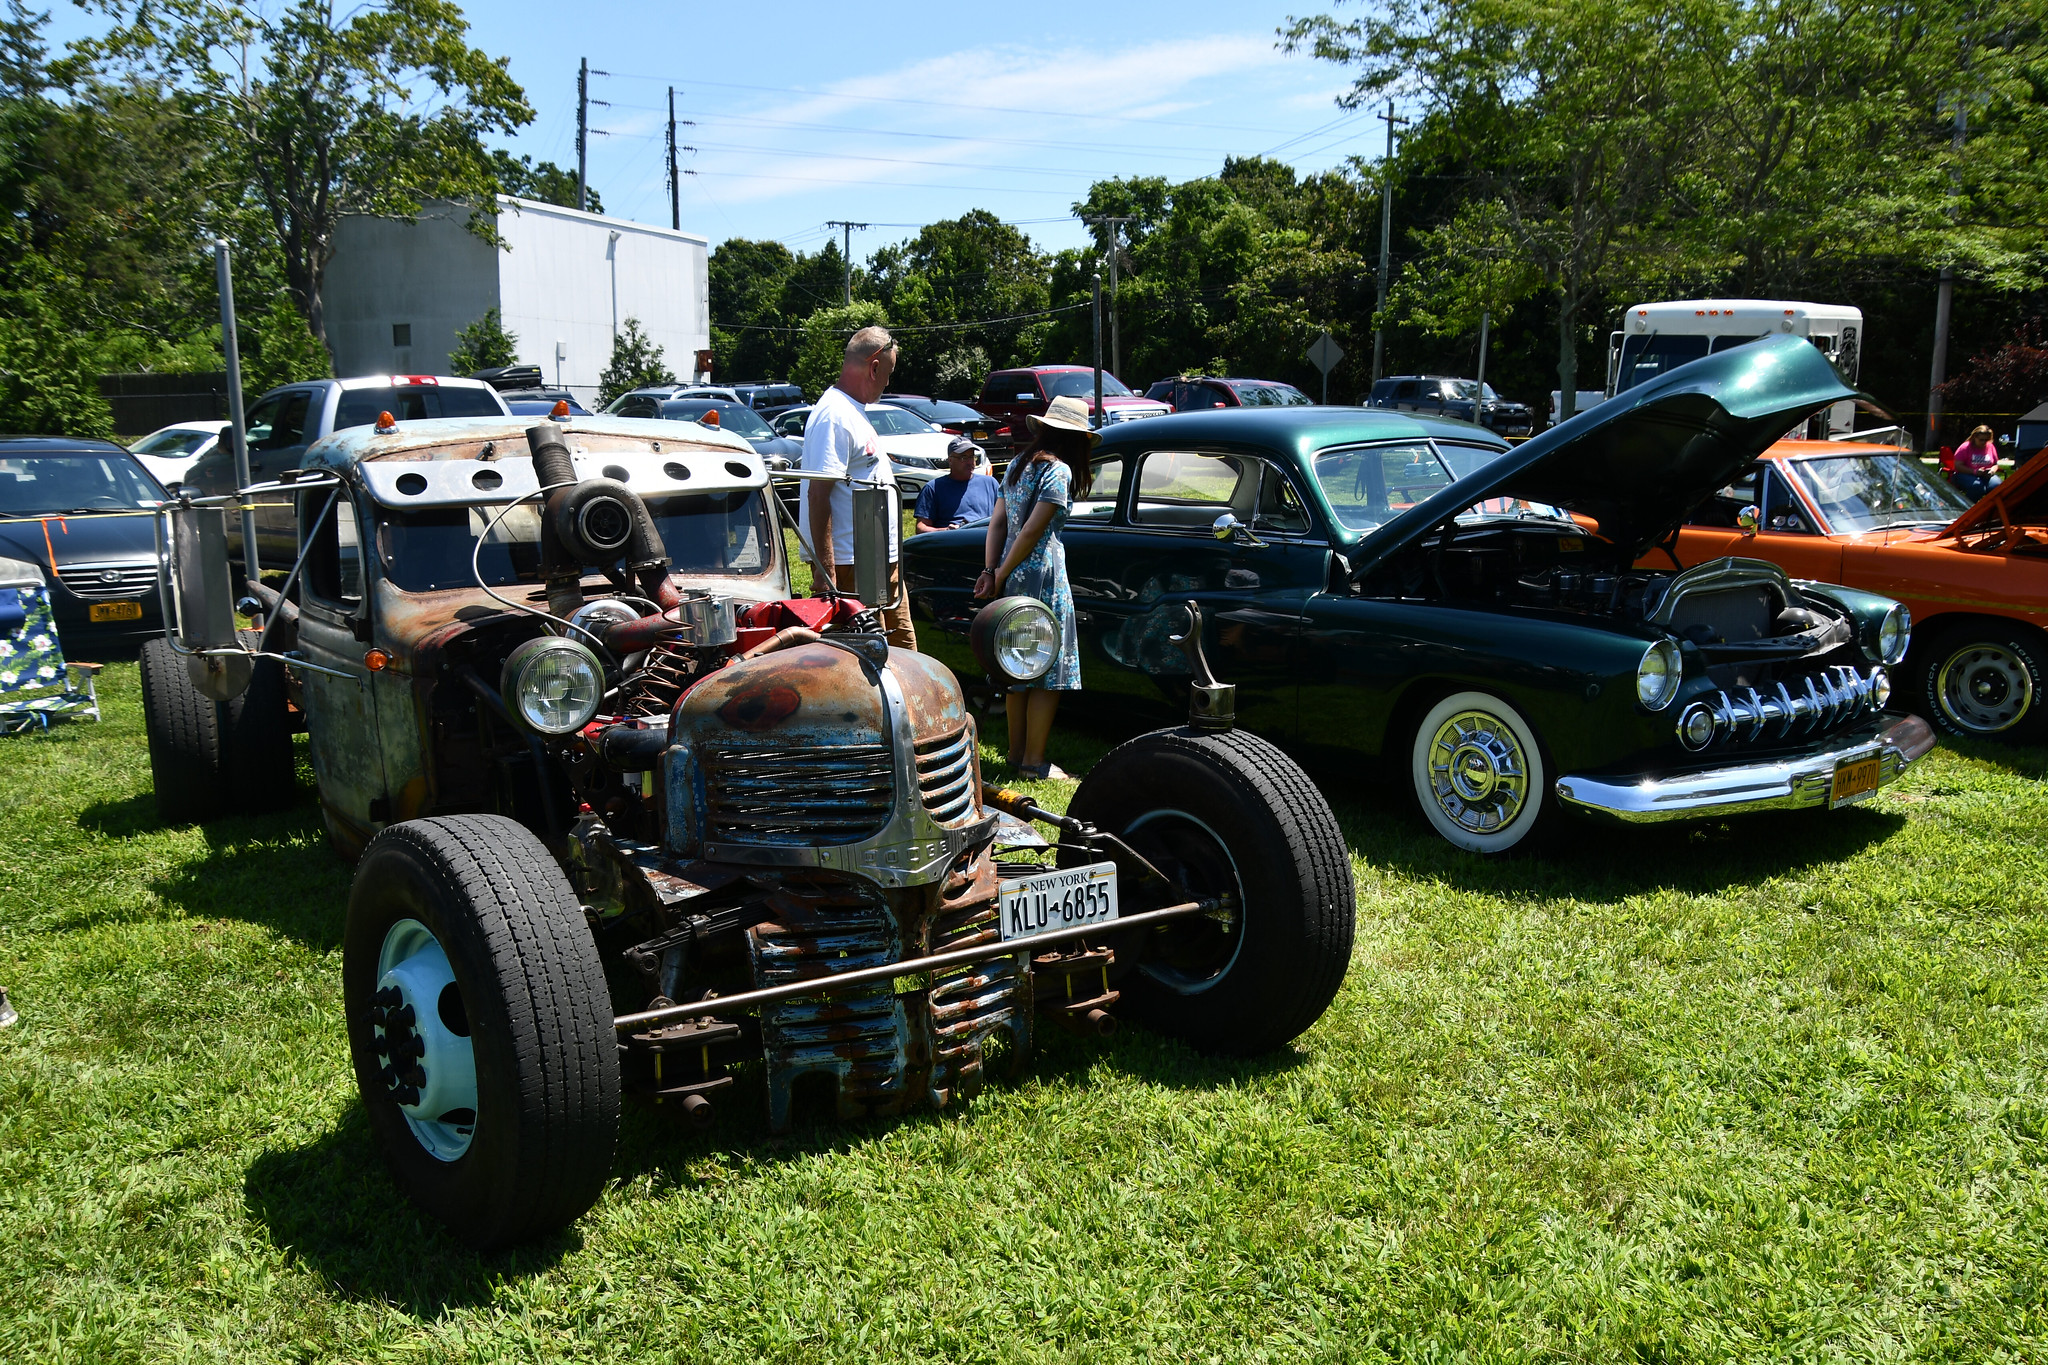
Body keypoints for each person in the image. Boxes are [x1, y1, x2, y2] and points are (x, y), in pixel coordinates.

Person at [976, 393, 1092, 780]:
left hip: (1011, 578)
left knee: (1018, 666)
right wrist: (1004, 571)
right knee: (1047, 667)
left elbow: (998, 525)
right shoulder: (1058, 471)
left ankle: (1015, 754)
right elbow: (1031, 531)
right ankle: (1033, 762)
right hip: (1042, 574)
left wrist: (993, 571)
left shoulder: (1014, 465)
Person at [801, 326, 915, 650]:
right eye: (888, 373)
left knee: (905, 654)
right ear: (875, 367)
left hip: (878, 560)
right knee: (872, 660)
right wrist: (827, 576)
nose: (888, 382)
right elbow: (818, 495)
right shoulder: (833, 415)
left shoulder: (851, 411)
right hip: (853, 566)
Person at [912, 436, 999, 534]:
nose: (970, 462)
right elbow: (921, 528)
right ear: (950, 460)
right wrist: (947, 531)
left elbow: (1004, 518)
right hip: (952, 541)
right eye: (963, 458)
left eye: (971, 457)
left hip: (984, 539)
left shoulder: (990, 483)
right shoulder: (933, 488)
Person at [1950, 425, 2003, 502]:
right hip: (1965, 474)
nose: (1984, 442)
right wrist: (1974, 471)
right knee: (1977, 486)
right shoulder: (1965, 447)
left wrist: (1992, 471)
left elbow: (1995, 464)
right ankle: (1968, 508)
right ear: (1975, 437)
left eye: (1986, 440)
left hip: (1986, 475)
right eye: (1981, 440)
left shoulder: (1990, 446)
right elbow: (1957, 466)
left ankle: (1991, 509)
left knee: (1997, 485)